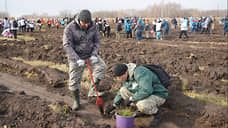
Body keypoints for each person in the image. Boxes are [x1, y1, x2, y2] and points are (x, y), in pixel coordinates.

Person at [63, 9, 106, 111]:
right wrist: (77, 59)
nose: (86, 25)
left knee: (101, 66)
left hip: (90, 55)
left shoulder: (93, 25)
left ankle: (92, 91)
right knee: (74, 81)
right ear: (79, 20)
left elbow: (97, 41)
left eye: (88, 23)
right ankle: (76, 101)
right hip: (76, 57)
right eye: (84, 23)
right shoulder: (70, 28)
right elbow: (67, 45)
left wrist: (94, 54)